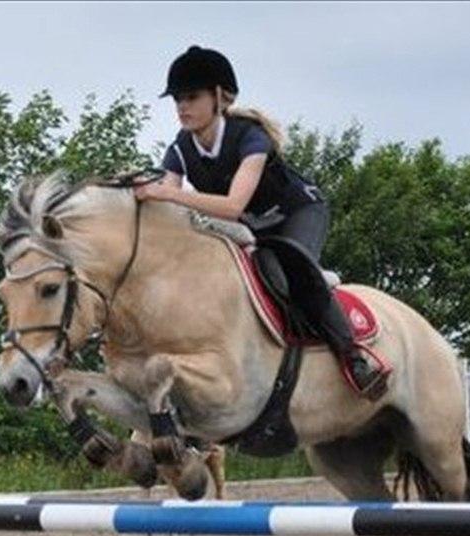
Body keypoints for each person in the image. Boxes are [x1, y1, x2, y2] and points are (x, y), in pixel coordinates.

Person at [133, 45, 385, 398]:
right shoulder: (180, 148)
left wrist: (168, 194)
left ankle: (356, 358)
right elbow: (166, 203)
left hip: (297, 212)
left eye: (191, 97)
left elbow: (233, 206)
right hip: (255, 226)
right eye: (177, 100)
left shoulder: (251, 137)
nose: (182, 107)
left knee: (290, 269)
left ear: (219, 98)